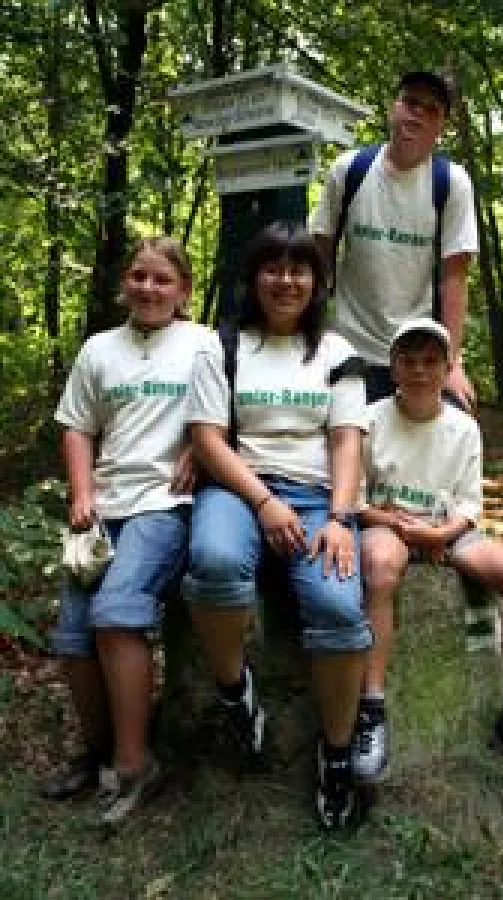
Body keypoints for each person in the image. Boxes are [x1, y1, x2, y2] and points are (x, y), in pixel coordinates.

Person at [183, 221, 372, 831]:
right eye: (273, 268)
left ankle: (337, 754)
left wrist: (341, 518)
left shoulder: (337, 354)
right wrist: (264, 502)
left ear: (317, 283)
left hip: (318, 498)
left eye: (299, 270)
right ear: (254, 277)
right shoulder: (225, 346)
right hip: (240, 489)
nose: (285, 281)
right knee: (212, 561)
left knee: (340, 605)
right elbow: (207, 440)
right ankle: (237, 694)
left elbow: (346, 443)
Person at [43, 237, 214, 825]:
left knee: (117, 612)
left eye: (162, 279)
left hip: (165, 503)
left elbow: (228, 413)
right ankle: (95, 754)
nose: (148, 288)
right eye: (138, 277)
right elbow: (76, 427)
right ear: (125, 283)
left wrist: (201, 445)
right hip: (103, 508)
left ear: (184, 290)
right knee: (71, 638)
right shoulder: (98, 350)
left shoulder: (203, 343)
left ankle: (136, 765)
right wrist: (83, 492)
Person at [353, 317, 503, 788]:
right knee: (381, 566)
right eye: (408, 361)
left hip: (447, 528)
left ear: (448, 369)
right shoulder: (368, 421)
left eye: (431, 362)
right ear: (393, 367)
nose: (420, 371)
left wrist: (442, 534)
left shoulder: (464, 428)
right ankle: (372, 708)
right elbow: (355, 500)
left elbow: (470, 504)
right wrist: (396, 525)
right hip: (389, 524)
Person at [311, 69, 478, 409]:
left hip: (417, 354)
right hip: (347, 348)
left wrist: (453, 363)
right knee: (345, 450)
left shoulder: (451, 183)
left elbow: (454, 276)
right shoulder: (349, 170)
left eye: (431, 109)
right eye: (411, 102)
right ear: (393, 108)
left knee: (451, 427)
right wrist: (309, 336)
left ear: (440, 126)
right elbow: (319, 256)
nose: (417, 113)